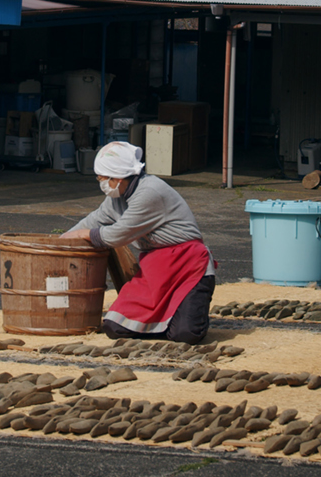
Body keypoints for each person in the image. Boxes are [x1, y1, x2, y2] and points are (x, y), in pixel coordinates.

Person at [62, 141, 215, 344]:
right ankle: (164, 323)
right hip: (155, 267)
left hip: (187, 264)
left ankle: (180, 319)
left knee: (186, 335)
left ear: (119, 177)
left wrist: (86, 234)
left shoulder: (150, 192)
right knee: (114, 326)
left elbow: (117, 235)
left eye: (103, 178)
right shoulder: (117, 196)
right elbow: (95, 219)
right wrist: (61, 240)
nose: (101, 183)